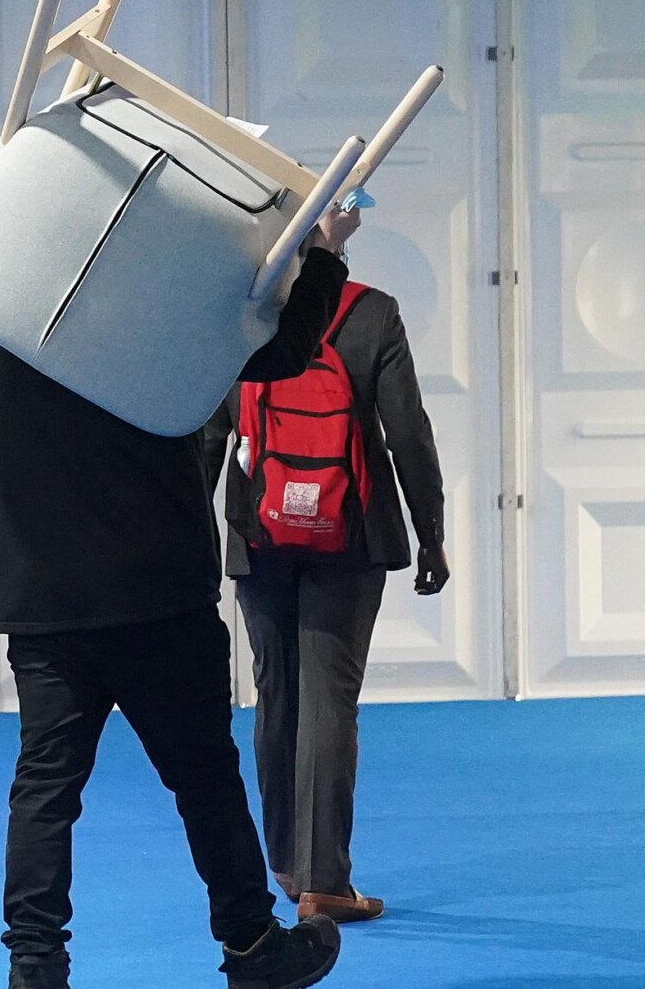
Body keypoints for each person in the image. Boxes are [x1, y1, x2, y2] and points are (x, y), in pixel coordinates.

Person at [0, 208, 364, 989]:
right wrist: (323, 260)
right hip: (155, 593)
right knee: (204, 778)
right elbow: (281, 353)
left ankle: (35, 967)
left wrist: (19, 552)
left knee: (46, 786)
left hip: (44, 599)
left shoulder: (4, 320)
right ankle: (250, 943)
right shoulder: (152, 309)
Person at [203, 279, 447, 925]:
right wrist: (431, 536)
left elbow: (206, 434)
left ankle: (284, 861)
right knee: (329, 702)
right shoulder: (371, 314)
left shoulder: (238, 309)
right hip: (350, 532)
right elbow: (408, 436)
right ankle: (326, 881)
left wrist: (191, 545)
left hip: (258, 532)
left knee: (276, 693)